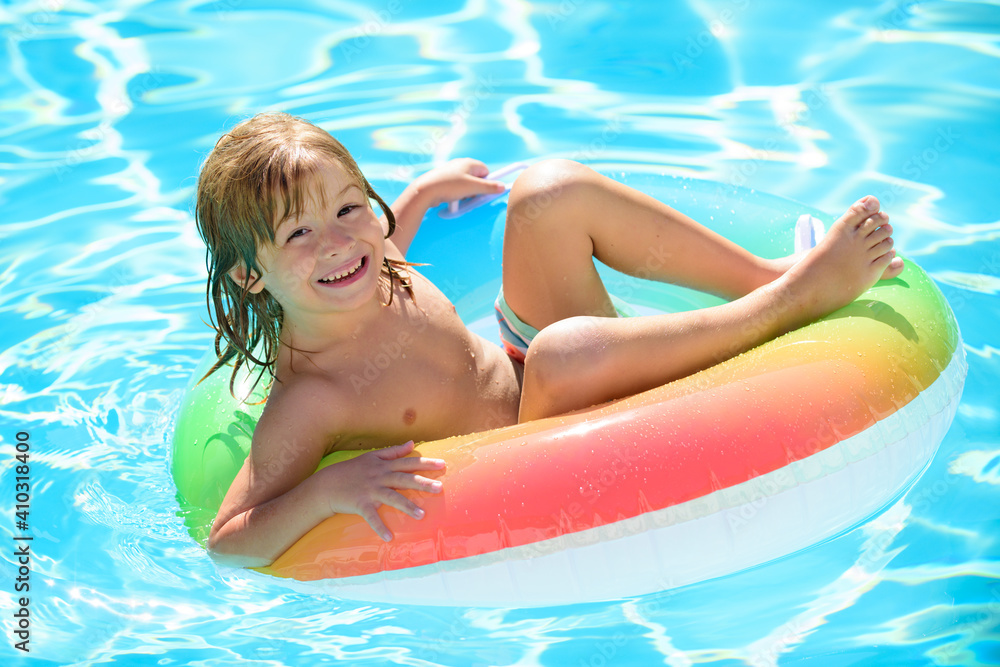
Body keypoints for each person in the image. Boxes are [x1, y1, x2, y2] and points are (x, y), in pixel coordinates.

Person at [197, 112, 903, 567]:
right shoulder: (312, 398)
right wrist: (325, 491)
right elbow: (228, 540)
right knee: (565, 353)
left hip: (521, 362)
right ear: (250, 277)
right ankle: (787, 304)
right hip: (537, 441)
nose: (339, 241)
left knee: (548, 190)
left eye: (351, 206)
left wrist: (415, 197)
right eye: (300, 233)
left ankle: (759, 274)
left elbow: (373, 241)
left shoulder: (370, 260)